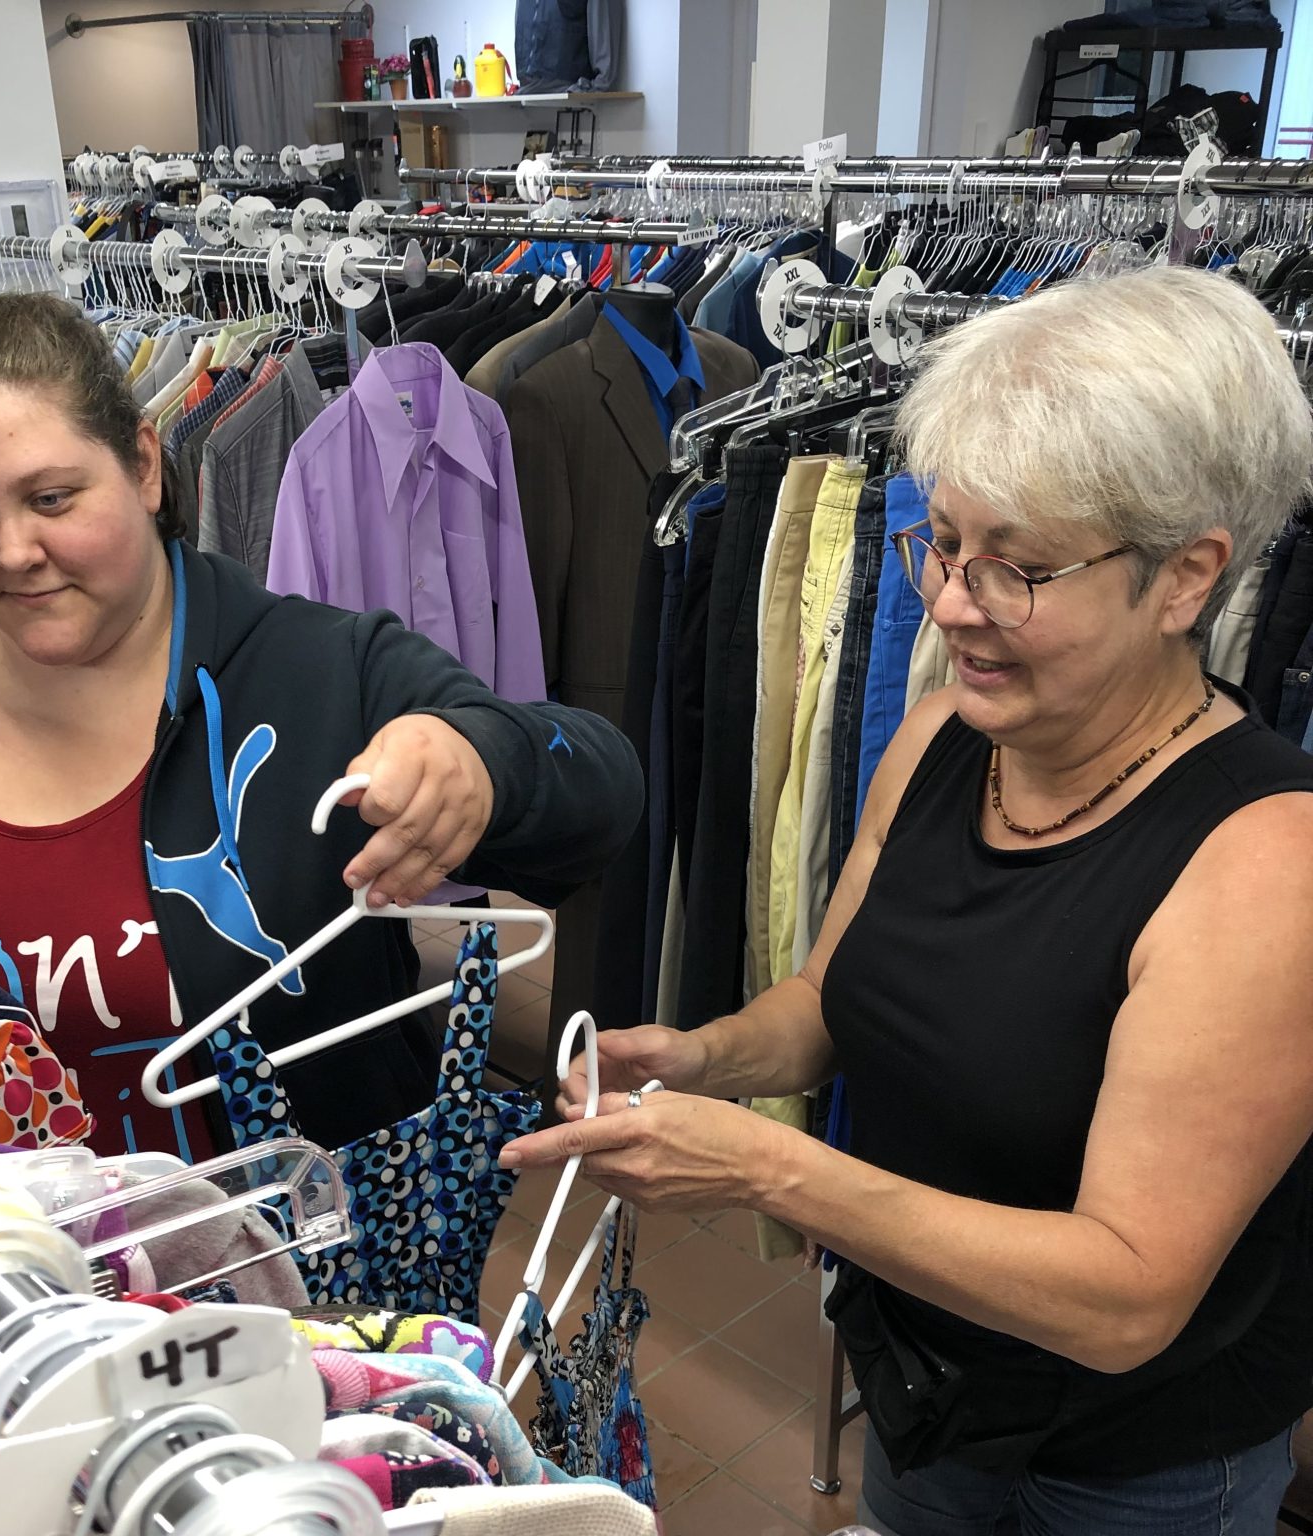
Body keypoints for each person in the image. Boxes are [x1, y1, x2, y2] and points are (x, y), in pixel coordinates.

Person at [502, 267, 1313, 1532]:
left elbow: (1126, 1296)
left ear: (1185, 579)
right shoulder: (945, 739)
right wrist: (701, 1056)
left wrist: (773, 1170)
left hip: (1129, 1472)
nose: (948, 602)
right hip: (924, 1388)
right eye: (942, 543)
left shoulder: (1266, 865)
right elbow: (832, 1001)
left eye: (1018, 569)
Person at [0, 292, 643, 1162]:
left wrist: (481, 760)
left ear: (144, 465)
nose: (14, 551)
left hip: (288, 1245)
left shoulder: (321, 675)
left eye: (52, 498)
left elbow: (602, 789)